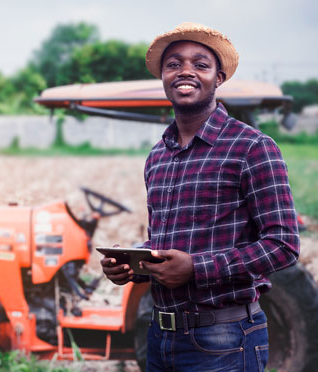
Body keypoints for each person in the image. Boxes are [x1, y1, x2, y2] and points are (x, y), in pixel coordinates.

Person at [100, 22, 299, 372]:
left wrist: (195, 269)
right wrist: (134, 265)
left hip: (226, 338)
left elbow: (283, 244)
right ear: (162, 76)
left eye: (200, 64)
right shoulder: (158, 156)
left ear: (218, 78)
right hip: (160, 337)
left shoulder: (252, 147)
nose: (185, 71)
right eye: (174, 64)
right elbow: (171, 244)